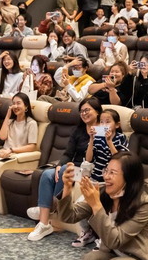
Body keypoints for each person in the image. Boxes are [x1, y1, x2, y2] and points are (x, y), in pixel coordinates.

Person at [57, 151, 148, 260]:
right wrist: (67, 187)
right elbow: (68, 216)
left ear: (129, 177)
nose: (106, 176)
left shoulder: (143, 204)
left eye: (112, 173)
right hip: (115, 253)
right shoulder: (103, 194)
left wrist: (95, 205)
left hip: (142, 257)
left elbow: (115, 240)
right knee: (91, 258)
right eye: (106, 171)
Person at [26, 98, 102, 242]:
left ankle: (50, 206)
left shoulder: (103, 130)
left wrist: (65, 167)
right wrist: (59, 165)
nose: (84, 113)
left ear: (97, 112)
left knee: (66, 169)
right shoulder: (78, 130)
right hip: (74, 167)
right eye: (81, 111)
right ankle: (44, 224)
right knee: (47, 174)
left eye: (87, 110)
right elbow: (68, 153)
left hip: (90, 171)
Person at [74, 108, 130, 247]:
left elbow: (120, 161)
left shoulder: (121, 138)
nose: (104, 125)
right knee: (80, 205)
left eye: (108, 122)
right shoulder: (97, 138)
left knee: (106, 208)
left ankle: (104, 239)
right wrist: (92, 139)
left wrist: (109, 141)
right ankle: (88, 233)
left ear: (117, 124)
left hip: (110, 182)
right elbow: (89, 159)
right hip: (95, 180)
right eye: (102, 122)